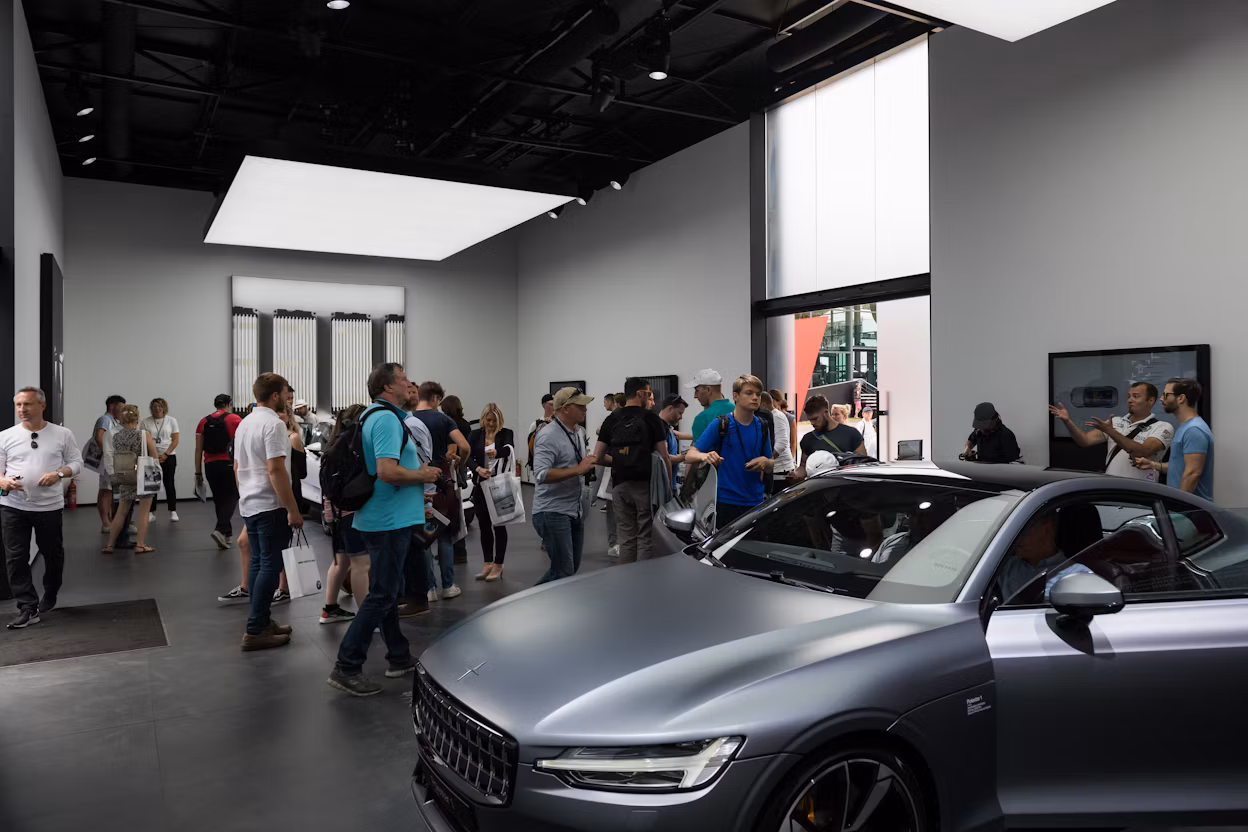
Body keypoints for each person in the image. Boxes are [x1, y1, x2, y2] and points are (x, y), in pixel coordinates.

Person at [328, 363, 438, 697]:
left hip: (385, 517)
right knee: (382, 595)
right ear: (388, 387)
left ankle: (398, 655)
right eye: (403, 379)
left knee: (386, 591)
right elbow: (387, 471)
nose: (408, 384)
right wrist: (424, 475)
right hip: (388, 519)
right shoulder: (387, 419)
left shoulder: (373, 416)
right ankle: (347, 665)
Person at [1, 387, 84, 629]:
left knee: (53, 554)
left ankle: (51, 590)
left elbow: (76, 463)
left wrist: (59, 474)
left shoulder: (62, 434)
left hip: (49, 507)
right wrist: (3, 482)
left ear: (42, 405)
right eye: (18, 405)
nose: (22, 409)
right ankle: (28, 607)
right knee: (16, 557)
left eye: (27, 404)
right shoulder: (5, 436)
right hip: (12, 506)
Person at [234, 372, 302, 652]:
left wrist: (245, 494)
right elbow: (276, 470)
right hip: (271, 505)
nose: (288, 398)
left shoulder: (245, 422)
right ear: (275, 395)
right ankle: (255, 630)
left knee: (259, 563)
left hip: (250, 503)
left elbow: (237, 467)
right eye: (286, 393)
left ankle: (261, 621)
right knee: (270, 565)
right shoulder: (273, 424)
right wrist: (292, 509)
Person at [594, 378, 670, 564]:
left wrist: (620, 461)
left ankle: (626, 577)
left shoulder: (612, 419)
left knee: (626, 537)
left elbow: (598, 457)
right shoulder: (652, 419)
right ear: (640, 394)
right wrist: (668, 487)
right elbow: (664, 456)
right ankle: (643, 578)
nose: (650, 397)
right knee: (645, 537)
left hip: (619, 486)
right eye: (648, 394)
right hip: (645, 486)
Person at [686, 375, 774, 529]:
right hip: (726, 501)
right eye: (749, 393)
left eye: (758, 394)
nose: (755, 397)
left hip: (756, 501)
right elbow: (690, 455)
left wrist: (766, 463)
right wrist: (705, 456)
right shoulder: (721, 423)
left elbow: (771, 464)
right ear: (735, 396)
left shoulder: (763, 426)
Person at [409, 381, 470, 601]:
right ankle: (448, 585)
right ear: (435, 398)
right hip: (441, 479)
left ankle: (429, 588)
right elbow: (464, 446)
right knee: (445, 534)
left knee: (424, 535)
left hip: (416, 479)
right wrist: (459, 464)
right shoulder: (444, 419)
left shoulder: (408, 419)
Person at [532, 387, 597, 584]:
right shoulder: (548, 435)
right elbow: (541, 474)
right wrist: (578, 469)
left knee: (570, 568)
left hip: (573, 509)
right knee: (563, 571)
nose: (585, 409)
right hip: (552, 511)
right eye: (580, 406)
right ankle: (530, 600)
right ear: (566, 408)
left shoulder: (578, 432)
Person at [1049, 382, 1173, 480]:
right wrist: (1068, 421)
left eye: (1135, 396)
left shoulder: (1162, 427)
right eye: (1129, 396)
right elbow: (1085, 440)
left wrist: (1111, 431)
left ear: (1151, 401)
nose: (1130, 400)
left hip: (1142, 490)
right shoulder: (1115, 422)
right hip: (1111, 486)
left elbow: (1144, 451)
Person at [319, 404, 368, 626]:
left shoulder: (333, 447)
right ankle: (367, 619)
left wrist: (330, 517)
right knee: (361, 565)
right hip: (352, 514)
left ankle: (329, 608)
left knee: (341, 562)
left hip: (337, 514)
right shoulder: (354, 449)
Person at [1135, 378, 1214, 501]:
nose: (1161, 399)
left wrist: (1178, 504)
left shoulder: (1194, 430)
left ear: (1181, 398)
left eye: (1166, 395)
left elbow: (1192, 474)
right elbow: (1179, 466)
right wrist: (1153, 465)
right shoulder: (1185, 427)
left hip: (1190, 509)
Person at [995, 510, 1093, 602]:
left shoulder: (1078, 576)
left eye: (1022, 529)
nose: (1015, 536)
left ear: (1046, 529)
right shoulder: (1002, 567)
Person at [101, 404, 160, 554]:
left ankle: (110, 545)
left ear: (121, 419)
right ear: (137, 418)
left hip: (126, 475)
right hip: (145, 475)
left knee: (121, 511)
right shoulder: (143, 434)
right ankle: (140, 545)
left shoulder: (117, 436)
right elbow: (155, 456)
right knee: (144, 512)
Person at [469, 403, 516, 581]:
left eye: (494, 421)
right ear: (483, 419)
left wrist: (496, 453)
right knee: (483, 524)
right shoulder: (475, 435)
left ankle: (499, 563)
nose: (490, 424)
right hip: (481, 483)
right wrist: (478, 469)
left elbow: (509, 449)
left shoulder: (506, 433)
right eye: (488, 420)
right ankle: (487, 562)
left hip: (499, 483)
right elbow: (468, 457)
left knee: (499, 524)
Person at [196, 394, 242, 550]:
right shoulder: (235, 419)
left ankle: (227, 534)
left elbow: (198, 449)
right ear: (228, 404)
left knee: (219, 499)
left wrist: (198, 473)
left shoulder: (203, 421)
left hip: (210, 465)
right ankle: (220, 529)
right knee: (233, 495)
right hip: (228, 463)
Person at [795, 395, 867, 478]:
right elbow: (803, 467)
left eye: (815, 419)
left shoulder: (852, 434)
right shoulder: (807, 439)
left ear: (826, 412)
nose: (812, 423)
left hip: (846, 484)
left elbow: (864, 465)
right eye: (810, 420)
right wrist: (795, 475)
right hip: (819, 485)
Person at [440, 394, 473, 563]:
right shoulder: (465, 424)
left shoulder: (448, 424)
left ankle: (454, 550)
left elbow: (452, 452)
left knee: (448, 511)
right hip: (462, 468)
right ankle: (459, 550)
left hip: (452, 469)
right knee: (458, 510)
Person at [140, 398, 180, 523]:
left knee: (169, 483)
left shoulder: (171, 421)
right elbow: (143, 440)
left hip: (169, 456)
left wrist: (166, 454)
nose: (157, 408)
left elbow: (175, 440)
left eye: (160, 406)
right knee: (152, 485)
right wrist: (155, 455)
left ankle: (173, 511)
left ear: (164, 408)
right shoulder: (145, 422)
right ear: (151, 408)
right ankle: (151, 512)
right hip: (151, 456)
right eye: (155, 406)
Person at [93, 394, 125, 533]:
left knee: (111, 491)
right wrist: (109, 456)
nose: (123, 410)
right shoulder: (105, 419)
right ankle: (106, 523)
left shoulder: (114, 421)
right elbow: (99, 438)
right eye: (121, 406)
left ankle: (112, 520)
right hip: (108, 461)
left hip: (112, 460)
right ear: (112, 406)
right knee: (106, 491)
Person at [759, 391, 795, 490]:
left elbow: (781, 444)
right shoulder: (771, 417)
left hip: (781, 472)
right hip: (775, 471)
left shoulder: (776, 416)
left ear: (763, 404)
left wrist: (766, 462)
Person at [687, 369, 733, 440]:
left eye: (697, 390)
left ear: (708, 389)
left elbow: (698, 447)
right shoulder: (737, 410)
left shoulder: (702, 418)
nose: (695, 396)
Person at [656, 394, 689, 491]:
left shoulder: (667, 428)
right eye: (679, 413)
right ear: (670, 408)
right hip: (663, 487)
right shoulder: (659, 430)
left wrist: (696, 436)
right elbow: (664, 458)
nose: (681, 417)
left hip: (671, 484)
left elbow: (675, 434)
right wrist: (687, 455)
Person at [525, 393, 556, 482]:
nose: (553, 407)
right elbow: (531, 446)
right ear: (544, 405)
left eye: (555, 404)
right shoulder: (536, 424)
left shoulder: (559, 423)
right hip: (541, 463)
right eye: (551, 404)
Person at [769, 388, 799, 464]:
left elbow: (793, 442)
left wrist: (791, 459)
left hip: (785, 459)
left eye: (772, 401)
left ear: (778, 402)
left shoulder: (790, 418)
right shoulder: (769, 416)